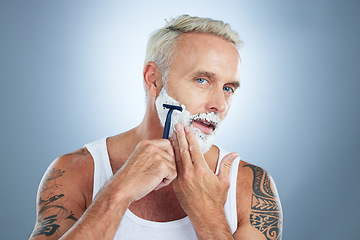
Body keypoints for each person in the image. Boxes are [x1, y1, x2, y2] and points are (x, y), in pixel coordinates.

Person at [29, 14, 283, 240]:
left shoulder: (249, 186)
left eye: (228, 88)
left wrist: (209, 217)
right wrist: (118, 192)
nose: (219, 104)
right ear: (154, 80)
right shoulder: (77, 171)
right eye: (202, 80)